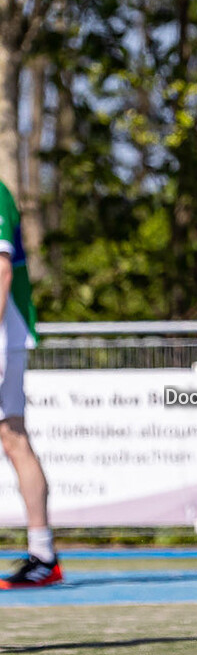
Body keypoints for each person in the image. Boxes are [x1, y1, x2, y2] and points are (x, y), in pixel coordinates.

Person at [0, 178, 62, 589]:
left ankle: (43, 554)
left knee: (14, 437)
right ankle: (43, 554)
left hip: (5, 330)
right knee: (13, 437)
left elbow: (2, 269)